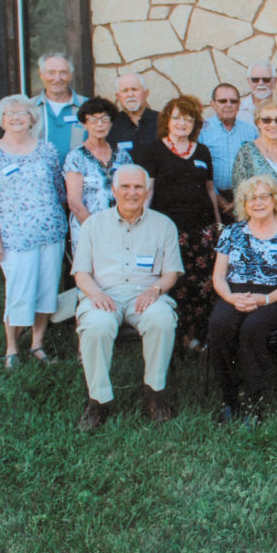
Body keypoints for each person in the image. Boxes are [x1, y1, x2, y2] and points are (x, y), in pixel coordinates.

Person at [72, 165, 183, 432]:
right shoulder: (93, 225)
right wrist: (96, 294)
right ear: (114, 190)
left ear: (147, 190)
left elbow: (171, 273)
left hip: (146, 293)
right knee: (96, 326)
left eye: (138, 187)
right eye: (125, 187)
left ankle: (154, 395)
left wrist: (154, 290)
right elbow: (81, 273)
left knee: (161, 320)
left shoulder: (164, 225)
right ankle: (98, 401)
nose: (132, 193)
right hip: (103, 294)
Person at [0, 95, 67, 369]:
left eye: (22, 113)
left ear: (32, 118)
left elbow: (59, 190)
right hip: (14, 239)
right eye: (10, 113)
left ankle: (37, 344)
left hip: (50, 234)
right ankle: (12, 348)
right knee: (18, 292)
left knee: (46, 290)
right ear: (1, 119)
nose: (16, 118)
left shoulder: (47, 149)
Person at [209, 174, 277, 424]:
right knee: (220, 324)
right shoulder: (232, 232)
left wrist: (266, 300)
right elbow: (218, 276)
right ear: (243, 203)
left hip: (276, 296)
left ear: (275, 200)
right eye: (251, 198)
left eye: (263, 197)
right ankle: (229, 398)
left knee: (253, 328)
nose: (257, 202)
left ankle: (253, 400)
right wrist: (231, 298)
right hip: (236, 292)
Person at [137, 95, 222, 354]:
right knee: (176, 283)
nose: (182, 123)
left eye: (188, 119)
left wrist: (218, 223)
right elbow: (148, 191)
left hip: (202, 230)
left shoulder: (202, 151)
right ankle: (177, 337)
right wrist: (143, 223)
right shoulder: (153, 150)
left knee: (203, 285)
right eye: (177, 118)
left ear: (195, 124)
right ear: (167, 120)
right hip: (170, 231)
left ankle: (199, 336)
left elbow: (210, 190)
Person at [64, 96, 132, 253]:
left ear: (111, 123)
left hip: (120, 230)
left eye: (104, 119)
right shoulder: (76, 157)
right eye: (93, 120)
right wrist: (97, 232)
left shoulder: (122, 155)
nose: (99, 124)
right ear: (84, 124)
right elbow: (74, 202)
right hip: (88, 230)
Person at [232, 99, 277, 227]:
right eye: (267, 120)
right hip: (261, 229)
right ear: (258, 123)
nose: (273, 124)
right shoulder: (246, 153)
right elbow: (239, 199)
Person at [198, 83, 259, 221]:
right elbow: (199, 169)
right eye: (223, 101)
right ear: (213, 104)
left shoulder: (251, 131)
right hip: (211, 199)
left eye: (233, 101)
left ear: (239, 105)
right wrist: (218, 198)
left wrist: (240, 199)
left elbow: (255, 167)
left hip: (245, 200)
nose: (229, 105)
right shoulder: (202, 131)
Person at [30, 52, 87, 164]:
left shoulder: (87, 106)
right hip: (40, 173)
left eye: (63, 73)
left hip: (78, 173)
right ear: (41, 75)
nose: (57, 79)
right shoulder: (29, 107)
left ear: (70, 75)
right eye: (51, 73)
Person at [107, 73, 158, 156]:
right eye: (125, 90)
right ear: (118, 96)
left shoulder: (163, 121)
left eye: (134, 89)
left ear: (146, 93)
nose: (130, 95)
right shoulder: (110, 124)